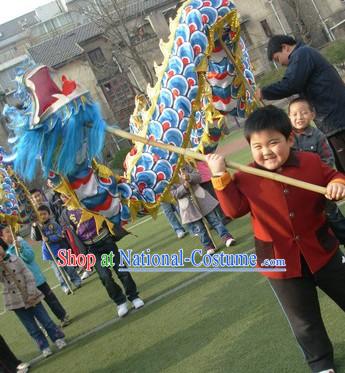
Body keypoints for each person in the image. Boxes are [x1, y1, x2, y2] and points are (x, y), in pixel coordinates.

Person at [206, 105, 345, 373]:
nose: (266, 151)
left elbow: (334, 176)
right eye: (257, 146)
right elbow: (233, 210)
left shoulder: (310, 162)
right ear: (249, 147)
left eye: (273, 142)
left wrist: (337, 182)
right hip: (279, 263)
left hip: (322, 251)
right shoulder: (245, 177)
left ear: (290, 139)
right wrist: (218, 176)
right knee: (304, 321)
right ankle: (321, 363)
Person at [255, 35, 345, 172]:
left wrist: (264, 92)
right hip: (333, 119)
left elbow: (291, 84)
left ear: (285, 47)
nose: (280, 64)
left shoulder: (302, 54)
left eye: (277, 59)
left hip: (336, 119)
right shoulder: (304, 54)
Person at [60, 196, 144, 318]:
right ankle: (120, 301)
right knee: (105, 276)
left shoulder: (87, 201)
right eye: (62, 195)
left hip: (106, 241)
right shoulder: (64, 214)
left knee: (121, 270)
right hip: (91, 249)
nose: (65, 197)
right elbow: (68, 235)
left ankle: (134, 296)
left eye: (67, 193)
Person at [288, 97, 345, 245]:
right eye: (294, 114)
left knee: (333, 216)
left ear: (312, 115)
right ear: (289, 117)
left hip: (320, 187)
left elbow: (328, 159)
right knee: (313, 224)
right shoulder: (287, 138)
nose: (299, 117)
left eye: (303, 113)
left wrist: (319, 178)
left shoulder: (318, 136)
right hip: (299, 191)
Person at [0, 239, 67, 358]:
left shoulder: (15, 259)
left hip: (31, 295)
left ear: (2, 246)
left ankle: (57, 338)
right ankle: (44, 346)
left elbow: (28, 275)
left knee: (45, 320)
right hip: (16, 301)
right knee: (31, 327)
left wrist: (31, 294)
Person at [0, 225, 70, 327]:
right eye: (7, 232)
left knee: (50, 299)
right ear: (2, 238)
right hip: (25, 285)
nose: (11, 234)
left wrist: (20, 248)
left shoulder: (21, 242)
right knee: (36, 307)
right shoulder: (5, 253)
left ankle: (62, 316)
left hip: (37, 279)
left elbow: (30, 257)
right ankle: (46, 325)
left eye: (11, 231)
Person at [170, 163, 236, 255]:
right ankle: (208, 245)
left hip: (201, 199)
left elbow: (198, 177)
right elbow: (173, 194)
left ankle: (226, 237)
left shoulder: (185, 166)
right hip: (188, 207)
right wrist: (184, 186)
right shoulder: (168, 178)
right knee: (200, 228)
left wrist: (189, 177)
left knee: (214, 220)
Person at [31, 205, 81, 294]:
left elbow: (60, 235)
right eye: (40, 215)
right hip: (49, 254)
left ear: (49, 214)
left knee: (69, 268)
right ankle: (65, 286)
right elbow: (35, 237)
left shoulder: (54, 224)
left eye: (44, 214)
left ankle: (76, 280)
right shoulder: (38, 227)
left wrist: (49, 239)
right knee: (58, 273)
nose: (42, 216)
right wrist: (35, 227)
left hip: (61, 250)